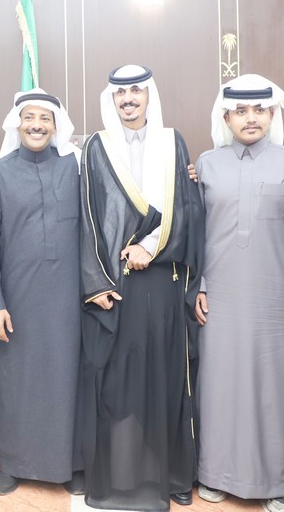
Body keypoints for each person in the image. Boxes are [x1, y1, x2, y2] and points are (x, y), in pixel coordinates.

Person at [78, 65, 204, 510]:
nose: (128, 99)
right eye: (120, 93)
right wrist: (96, 280)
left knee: (165, 377)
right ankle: (122, 477)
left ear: (149, 95)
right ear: (111, 99)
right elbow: (87, 215)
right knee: (120, 380)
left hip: (163, 280)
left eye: (136, 91)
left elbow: (188, 208)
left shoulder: (173, 142)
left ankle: (171, 475)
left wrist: (150, 247)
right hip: (116, 284)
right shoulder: (96, 146)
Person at [194, 75, 284, 512]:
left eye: (260, 110)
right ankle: (215, 474)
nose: (251, 118)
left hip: (279, 304)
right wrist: (199, 286)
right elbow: (194, 234)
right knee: (220, 386)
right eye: (241, 111)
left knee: (278, 391)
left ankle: (283, 481)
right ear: (226, 117)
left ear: (272, 115)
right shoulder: (206, 165)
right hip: (220, 300)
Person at [0, 88, 82, 496]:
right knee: (17, 383)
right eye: (29, 118)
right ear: (17, 124)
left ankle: (69, 464)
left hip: (68, 298)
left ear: (56, 126)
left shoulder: (75, 168)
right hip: (16, 299)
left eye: (45, 119)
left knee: (67, 379)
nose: (37, 125)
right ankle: (14, 464)